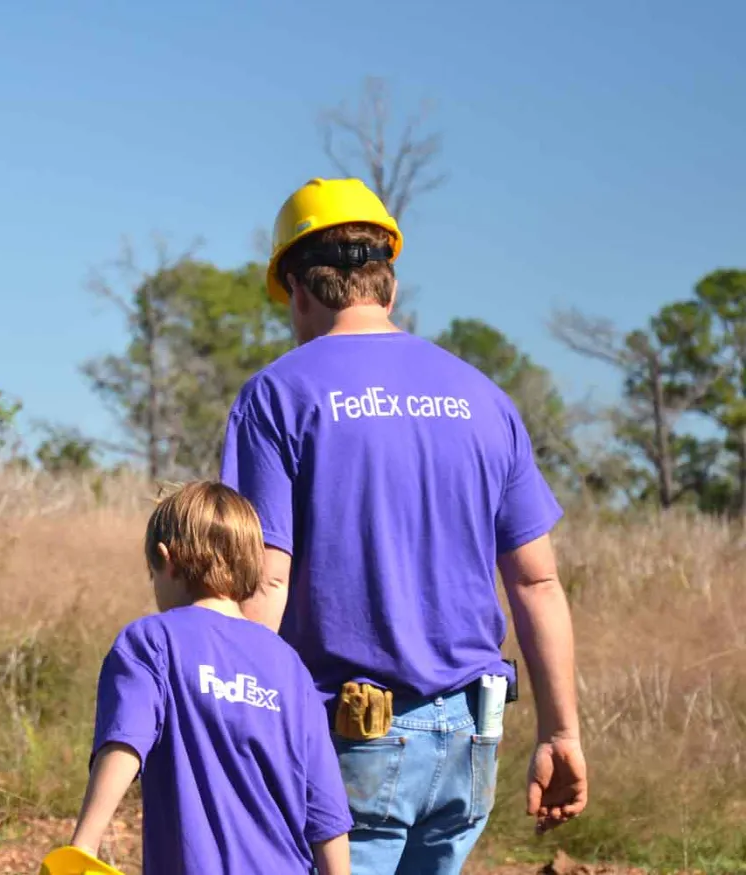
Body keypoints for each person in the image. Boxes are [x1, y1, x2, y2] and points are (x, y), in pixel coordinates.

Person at [218, 178, 588, 875]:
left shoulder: (278, 395)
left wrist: (224, 710)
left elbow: (265, 576)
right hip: (471, 741)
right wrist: (560, 731)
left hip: (348, 741)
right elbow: (537, 581)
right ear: (387, 284)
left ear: (298, 287)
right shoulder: (485, 399)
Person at [65, 480, 352, 875]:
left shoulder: (150, 641)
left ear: (165, 560)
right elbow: (326, 812)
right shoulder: (290, 666)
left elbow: (124, 744)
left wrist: (84, 846)